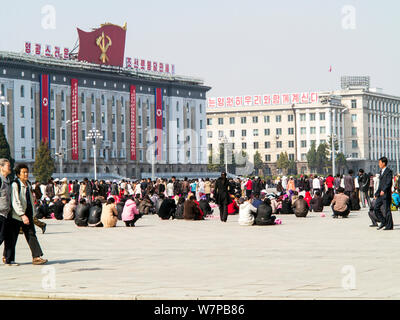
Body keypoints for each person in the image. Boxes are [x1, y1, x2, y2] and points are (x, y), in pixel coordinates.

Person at [4, 163, 48, 266]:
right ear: (18, 174)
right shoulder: (15, 184)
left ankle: (36, 257)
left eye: (27, 172)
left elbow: (31, 200)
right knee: (12, 237)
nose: (26, 174)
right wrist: (22, 214)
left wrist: (32, 213)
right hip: (16, 215)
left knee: (31, 234)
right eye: (23, 172)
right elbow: (15, 201)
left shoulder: (28, 184)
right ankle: (8, 258)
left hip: (27, 214)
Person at [374, 157, 394, 230]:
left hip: (386, 194)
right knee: (376, 208)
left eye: (380, 163)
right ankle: (383, 221)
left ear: (384, 163)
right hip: (380, 194)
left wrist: (384, 190)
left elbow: (389, 183)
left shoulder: (389, 171)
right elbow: (380, 184)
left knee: (387, 210)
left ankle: (389, 226)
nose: (379, 164)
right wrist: (377, 193)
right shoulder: (381, 172)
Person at [0, 159, 12, 251]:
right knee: (1, 236)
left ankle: (8, 259)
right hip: (0, 213)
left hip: (6, 213)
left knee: (7, 236)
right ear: (1, 167)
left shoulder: (8, 180)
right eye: (8, 166)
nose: (10, 168)